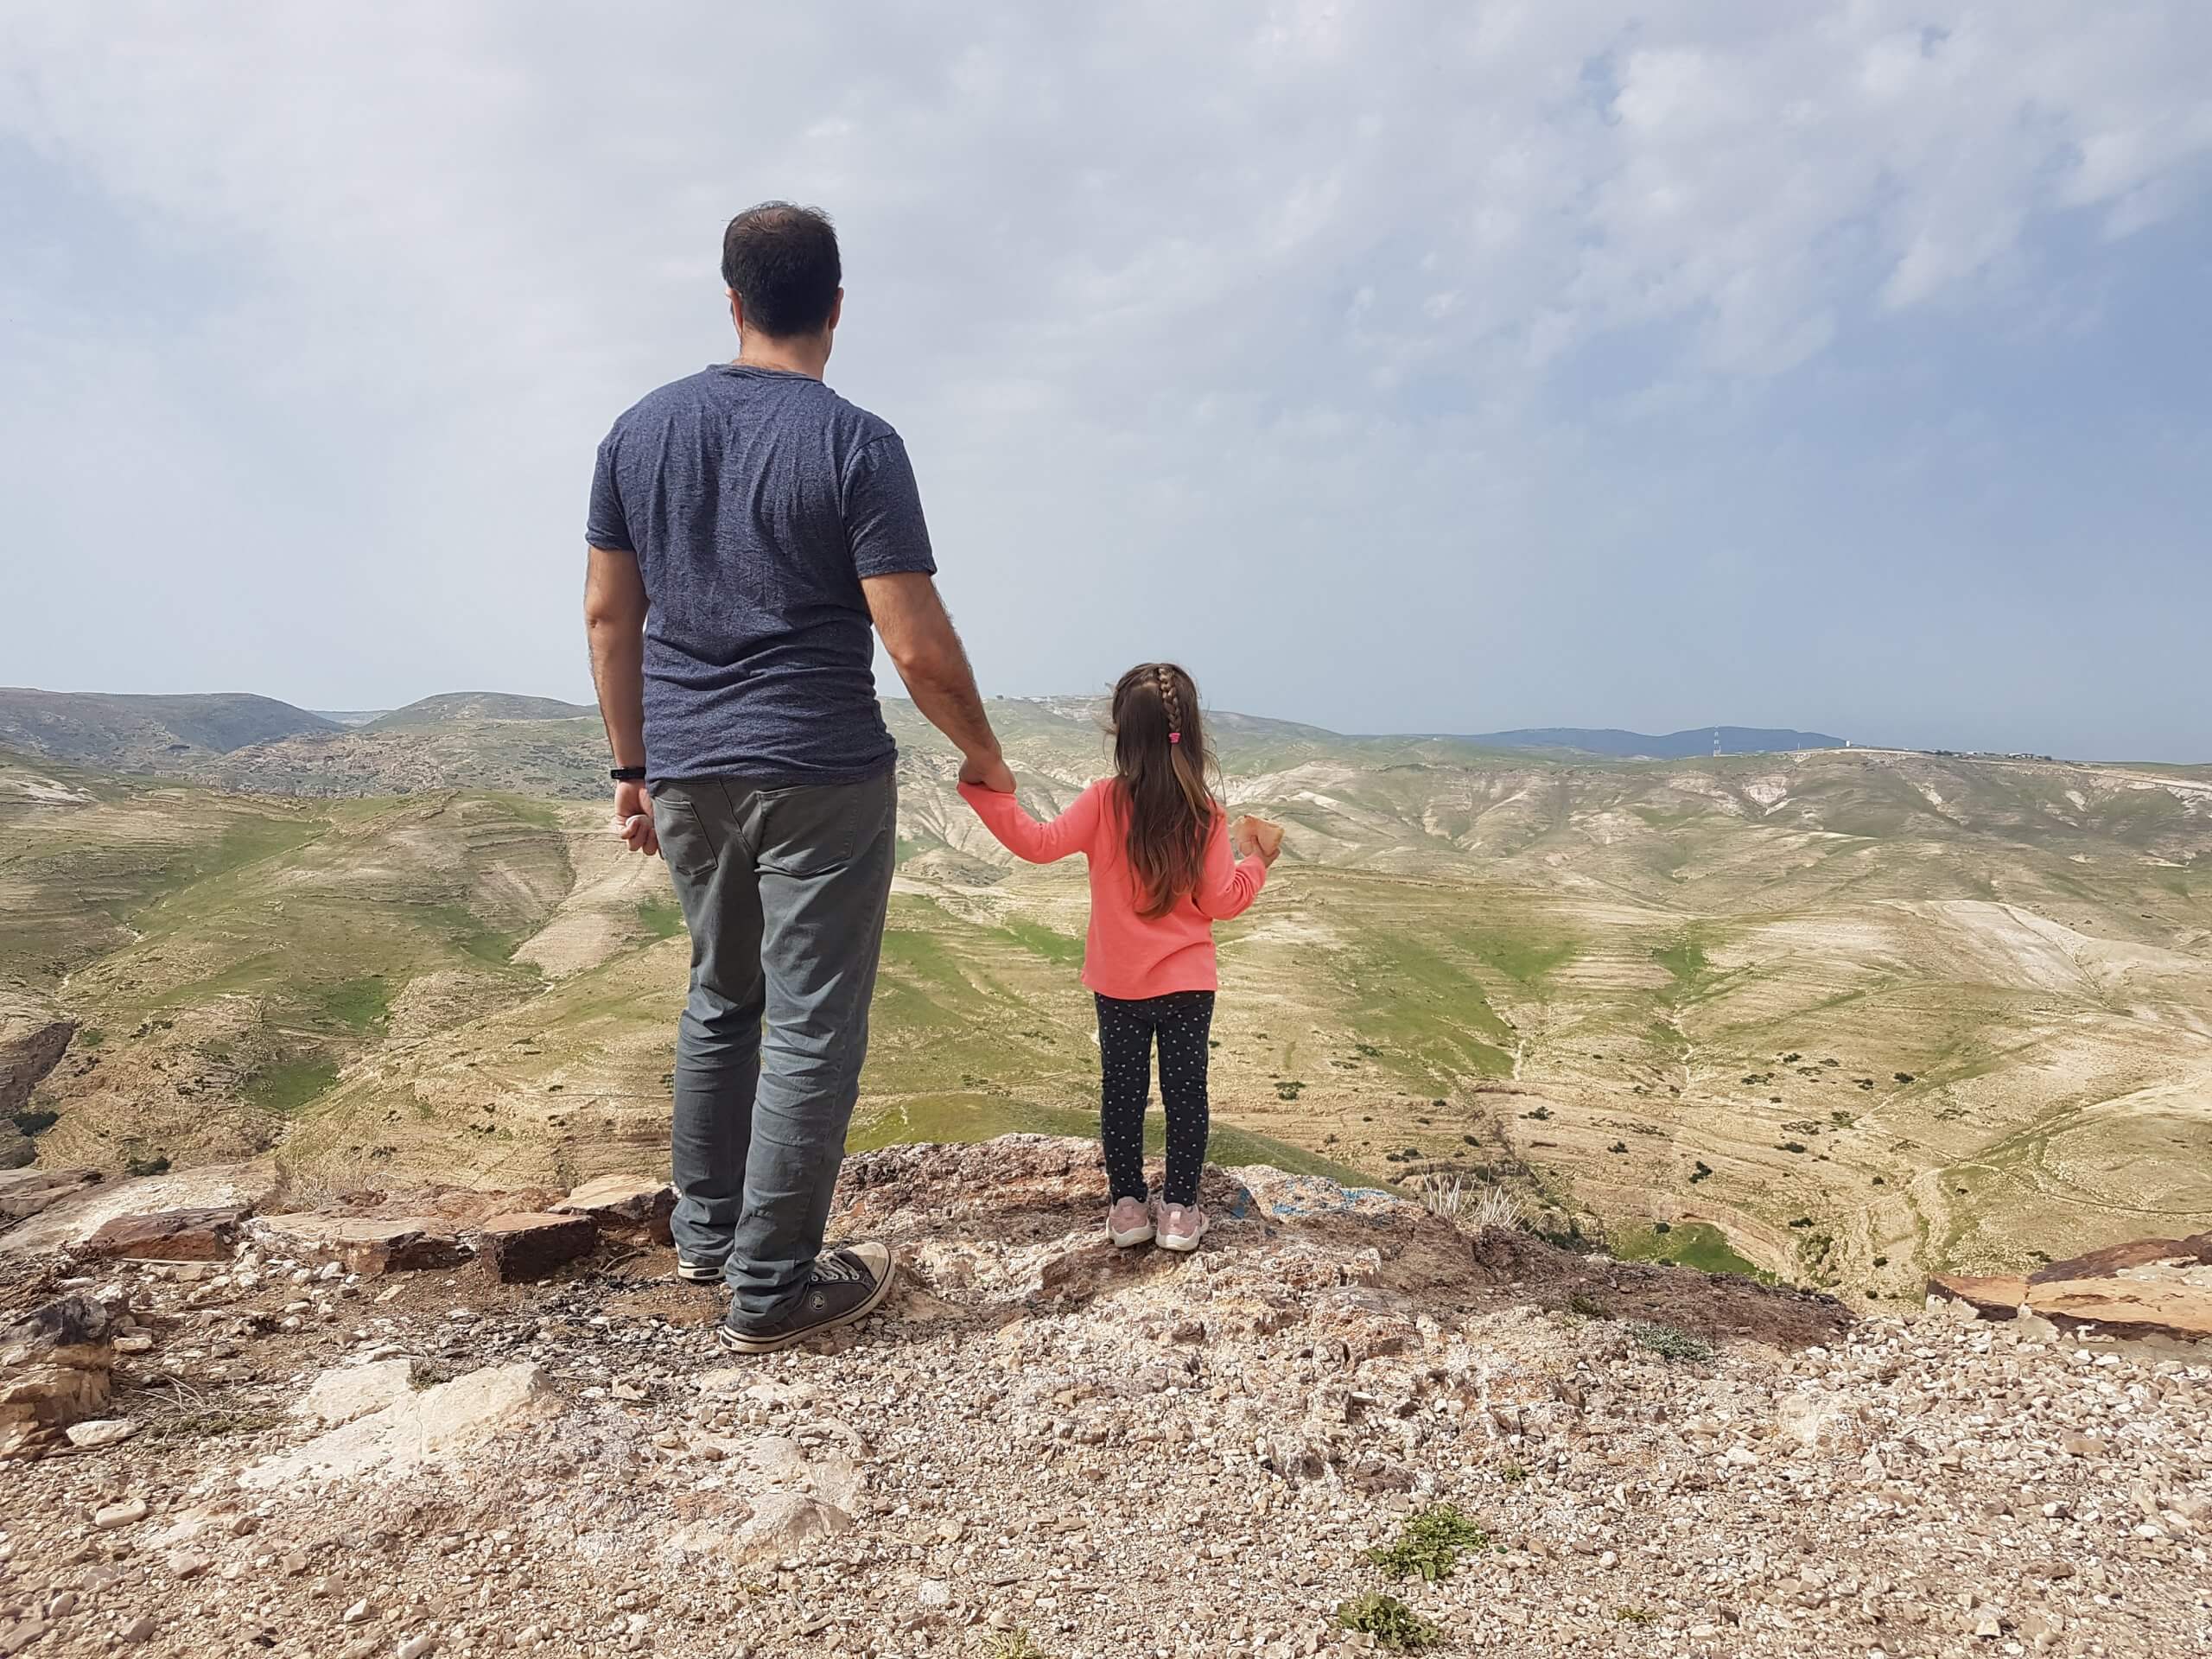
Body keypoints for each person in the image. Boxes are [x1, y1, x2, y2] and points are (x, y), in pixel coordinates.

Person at [583, 201, 1013, 1356]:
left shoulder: (636, 433)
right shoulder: (857, 443)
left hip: (684, 763)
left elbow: (608, 613)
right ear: (834, 307)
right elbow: (916, 644)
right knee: (814, 1025)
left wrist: (633, 765)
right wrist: (982, 754)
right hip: (818, 767)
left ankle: (711, 1238)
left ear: (731, 302)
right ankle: (771, 1288)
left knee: (720, 996)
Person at [957, 664, 1278, 1252]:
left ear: (1122, 736)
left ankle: (1128, 1209)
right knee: (1187, 1096)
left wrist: (985, 793)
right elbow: (1221, 901)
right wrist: (1258, 861)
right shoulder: (1205, 813)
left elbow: (1037, 843)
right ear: (1194, 734)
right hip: (1187, 986)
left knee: (1123, 1095)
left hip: (1118, 986)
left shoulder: (1104, 801)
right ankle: (1180, 1211)